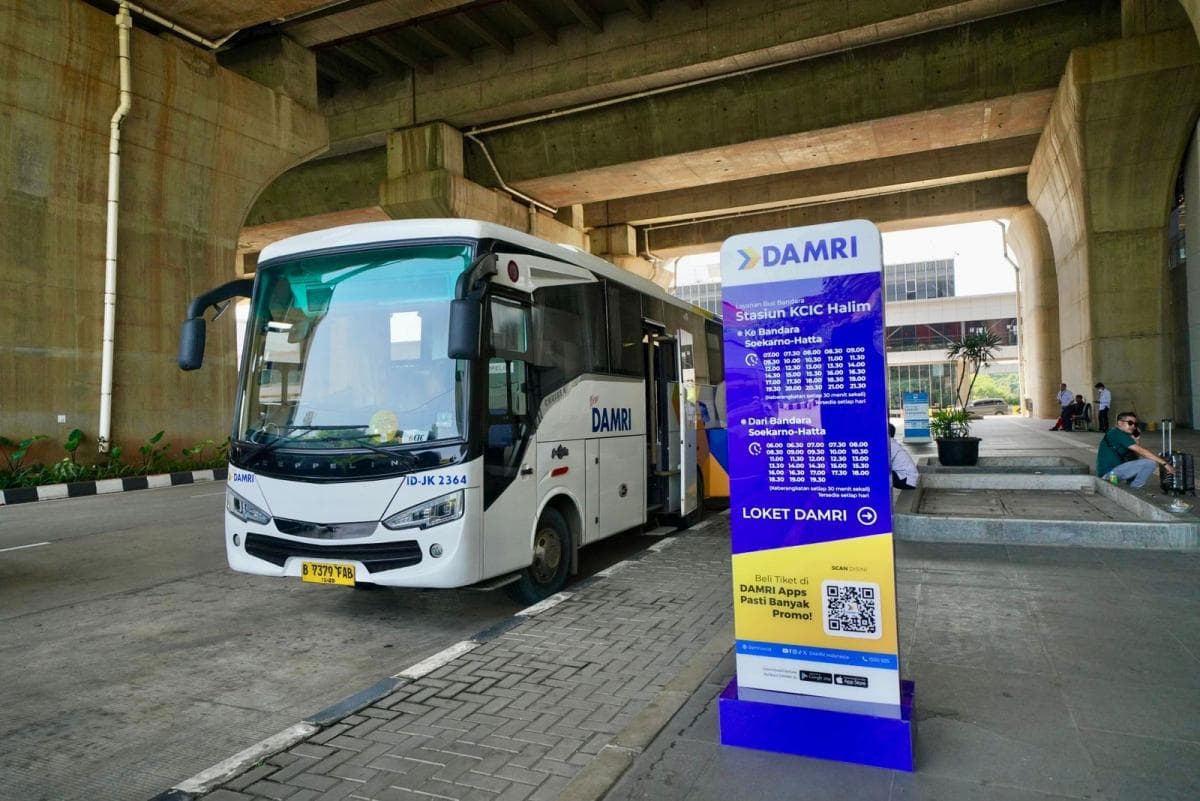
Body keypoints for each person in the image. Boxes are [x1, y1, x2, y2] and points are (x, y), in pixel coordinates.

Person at [1095, 412, 1174, 488]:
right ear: (1120, 423)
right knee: (1150, 463)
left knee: (1137, 460)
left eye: (1135, 424)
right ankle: (1134, 488)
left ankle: (1124, 483)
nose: (1133, 426)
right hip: (1109, 474)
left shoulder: (1120, 433)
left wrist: (1136, 439)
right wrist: (1164, 463)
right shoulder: (1117, 434)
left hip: (1114, 473)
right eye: (1130, 423)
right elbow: (1142, 451)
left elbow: (1135, 455)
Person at [888, 423, 919, 490]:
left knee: (881, 472)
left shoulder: (890, 445)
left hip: (907, 480)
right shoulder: (892, 443)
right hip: (908, 479)